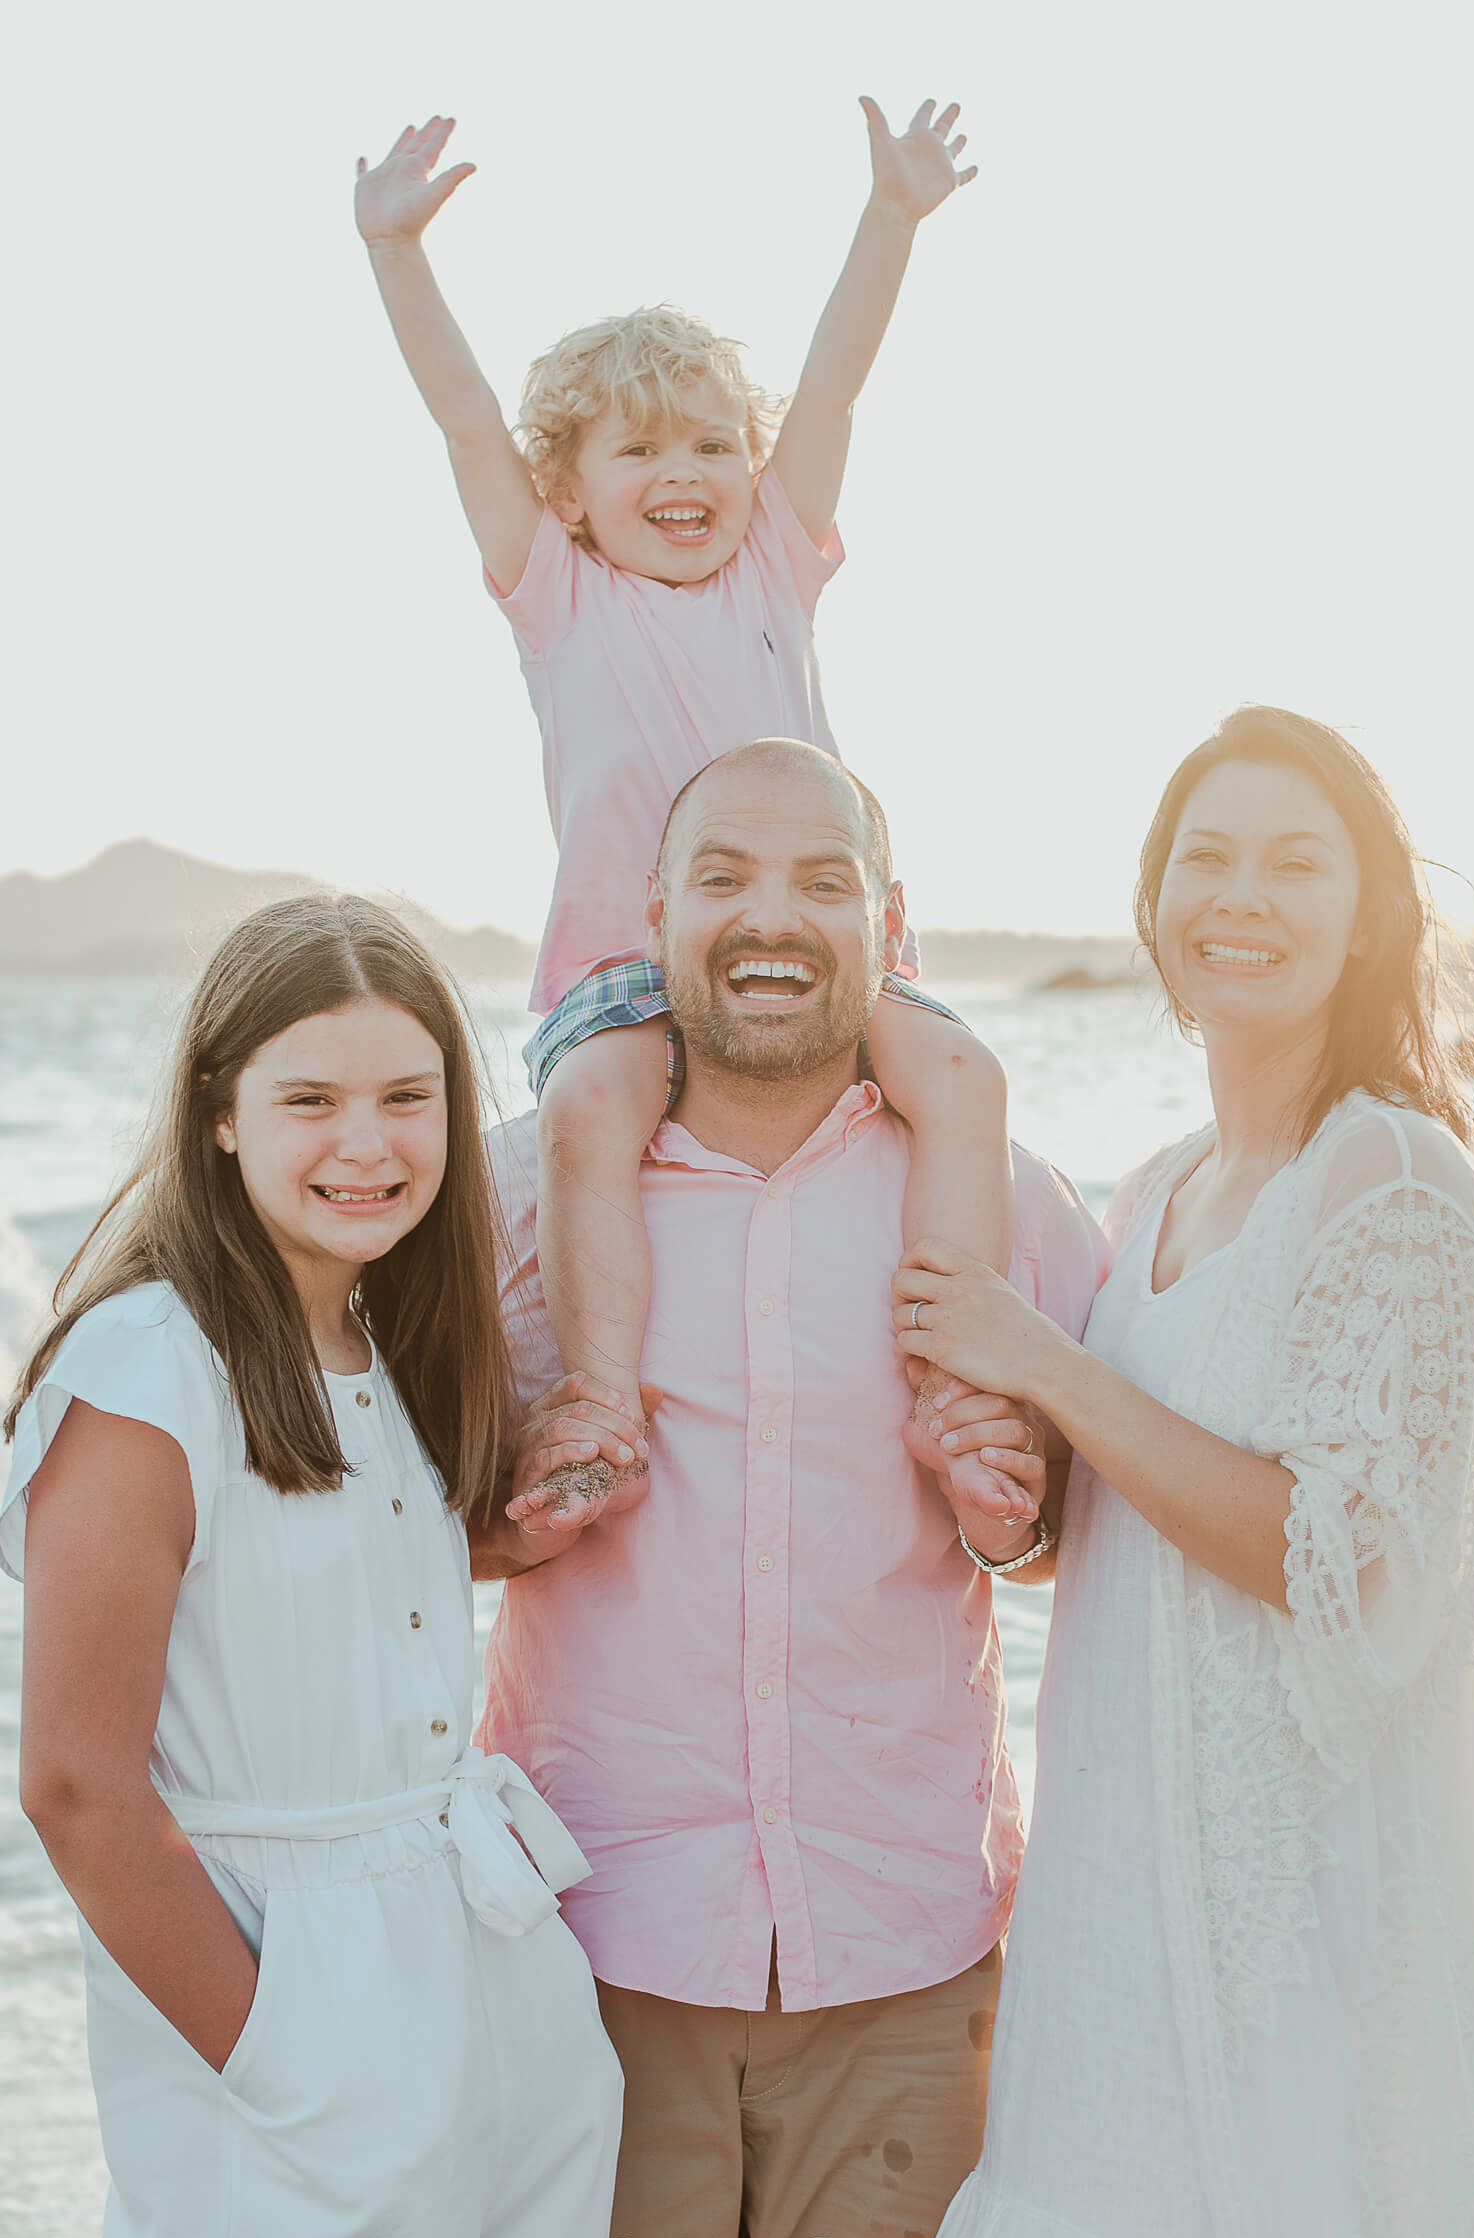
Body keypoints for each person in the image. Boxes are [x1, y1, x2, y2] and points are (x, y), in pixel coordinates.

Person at [882, 707, 1474, 2238]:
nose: (1239, 896)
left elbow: (1334, 1560)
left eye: (1294, 861)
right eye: (1203, 857)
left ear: (1365, 919)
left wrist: (1039, 1361)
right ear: (1152, 908)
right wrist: (1006, 1497)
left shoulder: (1396, 1182)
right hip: (1122, 1871)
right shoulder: (1156, 1189)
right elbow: (1124, 1535)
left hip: (1305, 1903)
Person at [468, 738, 1109, 2238]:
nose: (776, 916)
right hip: (592, 1942)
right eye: (731, 876)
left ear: (888, 923)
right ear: (656, 911)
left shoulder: (1009, 1207)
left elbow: (1070, 1534)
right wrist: (506, 1520)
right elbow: (393, 1519)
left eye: (824, 880)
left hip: (902, 1941)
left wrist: (1013, 1510)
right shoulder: (522, 1198)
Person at [353, 103, 1015, 1524]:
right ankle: (596, 1395)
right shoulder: (556, 589)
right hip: (623, 970)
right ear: (568, 492)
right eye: (641, 454)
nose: (685, 479)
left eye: (714, 449)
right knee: (593, 1110)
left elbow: (831, 391)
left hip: (823, 954)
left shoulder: (775, 562)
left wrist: (891, 215)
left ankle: (959, 1391)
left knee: (957, 1082)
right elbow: (465, 416)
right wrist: (394, 251)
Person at [4, 896, 623, 2238]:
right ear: (219, 1115)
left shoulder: (370, 1333)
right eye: (310, 1100)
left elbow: (305, 1568)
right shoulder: (148, 1366)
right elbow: (77, 1785)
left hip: (475, 1971)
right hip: (291, 1985)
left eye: (409, 1098)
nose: (369, 1143)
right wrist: (280, 2062)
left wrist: (501, 1534)